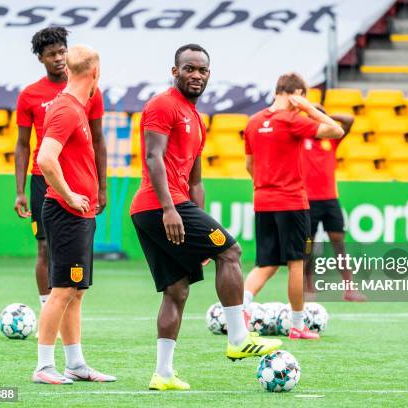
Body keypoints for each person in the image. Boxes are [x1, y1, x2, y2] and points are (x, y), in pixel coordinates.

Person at [130, 44, 281, 391]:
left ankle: (163, 374)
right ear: (175, 71)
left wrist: (194, 215)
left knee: (176, 290)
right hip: (159, 205)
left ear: (209, 75)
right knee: (231, 252)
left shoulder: (197, 119)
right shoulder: (162, 105)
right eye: (189, 68)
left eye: (202, 70)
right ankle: (239, 337)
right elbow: (153, 159)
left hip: (169, 207)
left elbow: (195, 180)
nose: (196, 75)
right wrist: (170, 208)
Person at [33, 45, 115, 384]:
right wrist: (70, 195)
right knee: (63, 290)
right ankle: (43, 366)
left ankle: (76, 363)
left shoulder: (76, 107)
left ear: (68, 69)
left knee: (75, 290)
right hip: (66, 212)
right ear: (95, 72)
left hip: (77, 215)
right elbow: (45, 159)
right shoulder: (67, 110)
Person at [243, 73, 344, 340]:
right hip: (292, 202)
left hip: (263, 202)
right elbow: (337, 130)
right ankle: (298, 326)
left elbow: (249, 165)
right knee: (296, 262)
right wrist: (309, 109)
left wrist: (266, 185)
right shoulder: (291, 120)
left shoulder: (253, 122)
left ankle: (239, 313)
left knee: (265, 263)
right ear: (297, 92)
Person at [13, 27, 107, 312]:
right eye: (51, 54)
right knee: (44, 247)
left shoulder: (91, 91)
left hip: (79, 181)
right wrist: (20, 191)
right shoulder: (30, 95)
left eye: (62, 52)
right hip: (45, 179)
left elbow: (99, 140)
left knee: (73, 251)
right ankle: (48, 308)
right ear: (41, 58)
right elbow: (22, 145)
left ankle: (61, 307)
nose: (58, 58)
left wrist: (102, 186)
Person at [301, 105, 366, 302]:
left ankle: (349, 289)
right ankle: (307, 287)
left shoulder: (332, 140)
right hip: (307, 200)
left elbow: (349, 120)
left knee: (339, 244)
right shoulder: (301, 139)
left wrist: (327, 115)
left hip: (330, 199)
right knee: (308, 246)